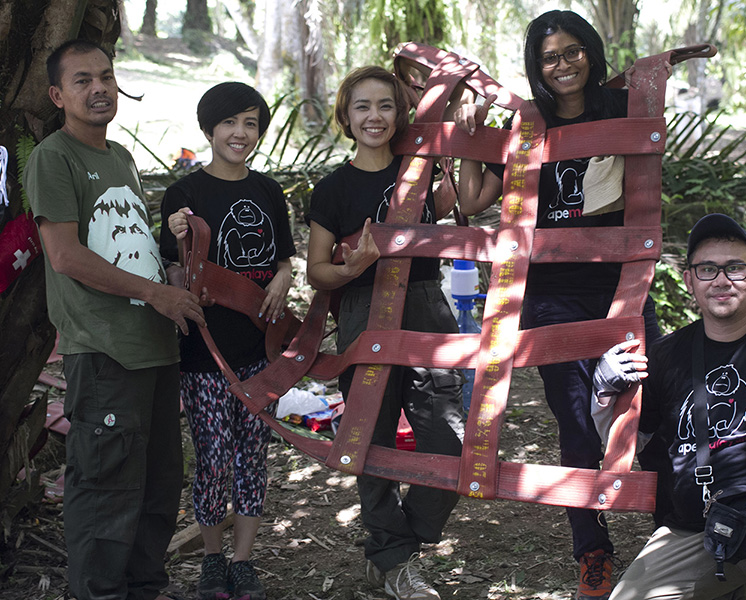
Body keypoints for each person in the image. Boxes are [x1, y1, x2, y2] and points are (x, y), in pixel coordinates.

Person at [452, 10, 663, 598]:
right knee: (574, 418)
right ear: (536, 66)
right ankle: (591, 549)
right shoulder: (527, 124)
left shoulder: (621, 112)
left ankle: (676, 530)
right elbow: (472, 200)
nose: (563, 64)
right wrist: (469, 138)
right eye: (550, 57)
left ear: (591, 52)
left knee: (650, 405)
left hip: (622, 284)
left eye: (573, 51)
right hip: (549, 294)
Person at [23, 39, 207, 600]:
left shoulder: (120, 156)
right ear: (58, 95)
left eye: (106, 76)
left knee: (157, 487)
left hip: (154, 345)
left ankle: (144, 589)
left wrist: (168, 277)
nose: (99, 87)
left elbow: (127, 245)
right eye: (82, 80)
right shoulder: (53, 157)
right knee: (106, 488)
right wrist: (155, 293)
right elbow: (66, 256)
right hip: (105, 351)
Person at [305, 65, 464, 600]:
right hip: (362, 309)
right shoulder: (332, 189)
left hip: (425, 306)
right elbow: (317, 271)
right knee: (370, 438)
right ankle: (395, 561)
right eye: (362, 106)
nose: (374, 116)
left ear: (400, 114)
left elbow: (469, 196)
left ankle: (395, 547)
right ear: (345, 117)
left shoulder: (420, 174)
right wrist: (349, 269)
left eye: (386, 105)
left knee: (448, 441)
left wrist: (466, 122)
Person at [592, 213, 746, 599]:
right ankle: (745, 584)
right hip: (699, 532)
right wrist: (604, 390)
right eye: (707, 269)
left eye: (735, 268)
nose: (721, 280)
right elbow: (630, 443)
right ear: (690, 281)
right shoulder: (667, 355)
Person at [159, 82, 296, 600]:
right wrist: (179, 247)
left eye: (251, 123)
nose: (241, 133)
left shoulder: (268, 191)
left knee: (252, 457)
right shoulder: (185, 195)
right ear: (209, 129)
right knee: (214, 459)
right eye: (230, 123)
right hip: (204, 355)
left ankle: (243, 561)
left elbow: (283, 259)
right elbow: (172, 268)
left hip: (261, 351)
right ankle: (212, 559)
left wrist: (283, 277)